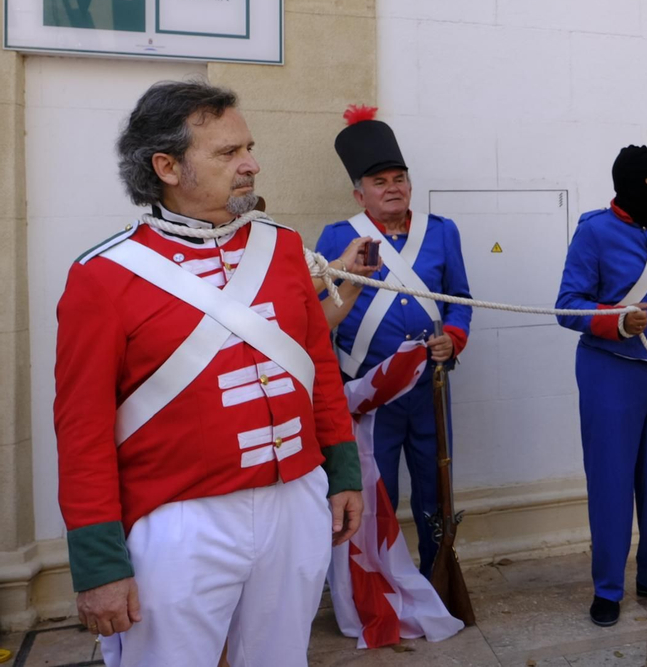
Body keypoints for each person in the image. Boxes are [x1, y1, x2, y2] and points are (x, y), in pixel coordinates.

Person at [55, 80, 362, 666]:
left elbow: (318, 366)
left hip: (295, 499)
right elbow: (82, 431)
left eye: (247, 147)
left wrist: (341, 470)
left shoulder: (282, 247)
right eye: (227, 153)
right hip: (179, 519)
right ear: (166, 166)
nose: (251, 165)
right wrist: (98, 563)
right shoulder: (103, 276)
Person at [315, 106, 473, 580]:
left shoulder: (442, 232)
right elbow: (320, 308)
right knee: (376, 490)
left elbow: (460, 299)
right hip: (369, 391)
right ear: (359, 193)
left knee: (433, 488)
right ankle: (379, 585)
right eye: (380, 181)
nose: (393, 188)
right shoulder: (339, 237)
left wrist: (454, 338)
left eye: (399, 178)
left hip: (429, 388)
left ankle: (437, 575)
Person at [556, 145, 647, 627]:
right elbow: (568, 305)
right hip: (611, 372)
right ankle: (608, 587)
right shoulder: (595, 232)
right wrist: (619, 322)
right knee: (610, 483)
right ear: (626, 185)